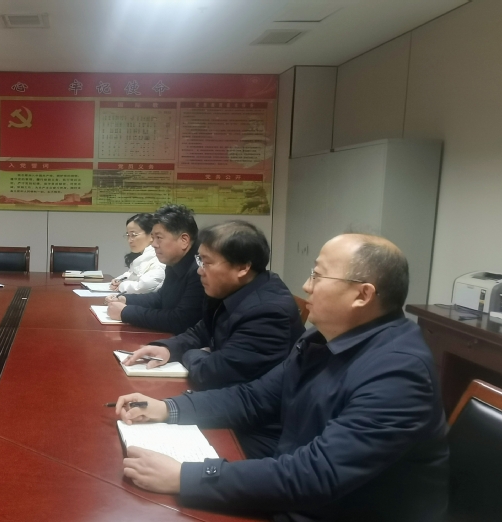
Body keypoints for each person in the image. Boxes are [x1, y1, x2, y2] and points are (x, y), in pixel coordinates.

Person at [115, 234, 449, 522]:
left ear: (362, 295)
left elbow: (317, 475)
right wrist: (167, 408)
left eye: (318, 276)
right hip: (299, 495)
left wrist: (185, 477)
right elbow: (254, 397)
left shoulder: (397, 372)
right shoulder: (322, 339)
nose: (306, 286)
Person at [123, 221, 305, 458]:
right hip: (227, 403)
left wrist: (193, 354)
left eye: (207, 262)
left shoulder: (268, 311)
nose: (199, 270)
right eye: (199, 260)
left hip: (257, 428)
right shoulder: (233, 289)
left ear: (243, 267)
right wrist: (168, 348)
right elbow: (201, 331)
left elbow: (213, 375)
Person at [106, 204, 204, 334]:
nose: (153, 244)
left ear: (184, 240)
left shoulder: (200, 269)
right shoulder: (174, 261)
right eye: (153, 237)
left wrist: (126, 312)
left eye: (159, 238)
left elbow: (180, 320)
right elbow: (161, 298)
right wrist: (125, 299)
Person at [109, 213, 165, 294]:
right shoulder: (142, 256)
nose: (129, 240)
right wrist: (119, 280)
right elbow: (131, 274)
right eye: (128, 235)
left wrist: (121, 285)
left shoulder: (159, 259)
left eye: (133, 235)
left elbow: (143, 287)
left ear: (151, 235)